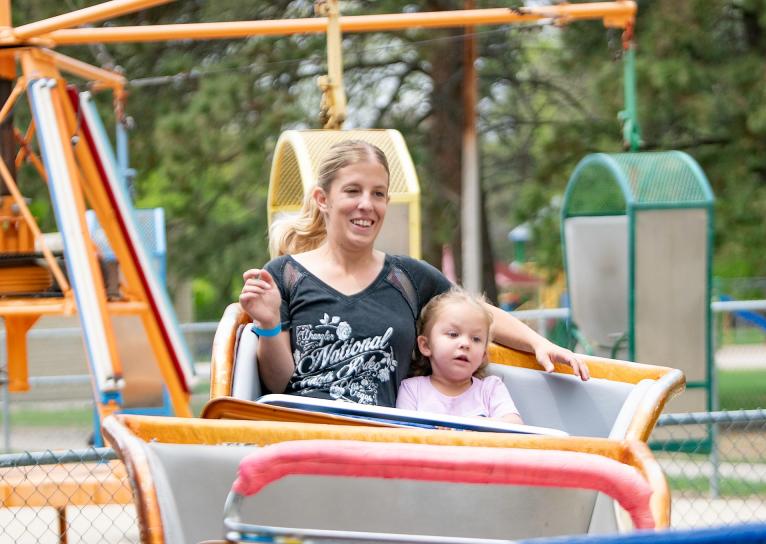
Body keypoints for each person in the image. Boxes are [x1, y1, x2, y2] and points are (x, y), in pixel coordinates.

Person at [239, 139, 588, 406]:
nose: (366, 204)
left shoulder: (408, 278)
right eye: (352, 191)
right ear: (322, 199)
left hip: (381, 449)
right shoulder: (284, 275)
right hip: (304, 441)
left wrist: (539, 343)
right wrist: (269, 325)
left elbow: (479, 316)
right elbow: (279, 384)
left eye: (378, 194)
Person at [396, 288, 522, 424]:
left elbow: (515, 424)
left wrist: (480, 424)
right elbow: (404, 434)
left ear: (483, 355)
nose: (465, 344)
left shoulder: (490, 389)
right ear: (426, 345)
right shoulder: (412, 389)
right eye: (453, 334)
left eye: (476, 339)